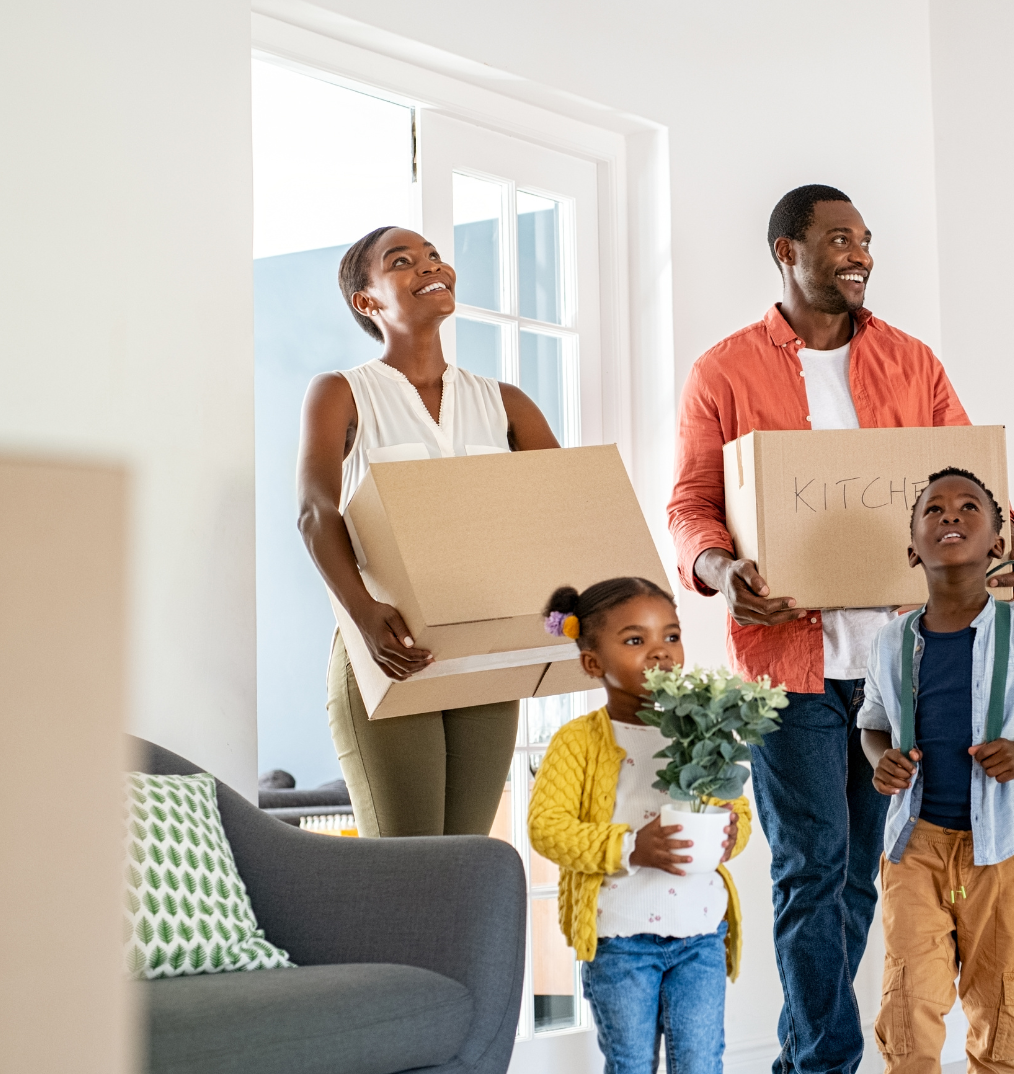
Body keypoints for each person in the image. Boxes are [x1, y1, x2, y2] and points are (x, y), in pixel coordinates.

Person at [666, 184, 1014, 1074]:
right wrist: (721, 571)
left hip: (903, 667)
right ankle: (825, 1059)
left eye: (865, 240)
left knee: (868, 861)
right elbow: (692, 505)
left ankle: (806, 1059)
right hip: (788, 664)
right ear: (787, 252)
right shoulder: (724, 371)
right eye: (837, 240)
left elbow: (974, 486)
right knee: (809, 867)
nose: (858, 253)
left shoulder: (913, 362)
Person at [296, 225, 562, 837]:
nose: (430, 266)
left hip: (486, 654)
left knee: (464, 863)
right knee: (407, 867)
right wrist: (363, 613)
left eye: (435, 256)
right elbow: (315, 509)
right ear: (368, 301)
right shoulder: (342, 393)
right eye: (403, 261)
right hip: (389, 648)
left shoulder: (506, 403)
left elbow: (561, 516)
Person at [856, 468, 1014, 1074]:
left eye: (969, 508)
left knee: (1003, 1006)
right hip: (915, 848)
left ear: (998, 542)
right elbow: (872, 720)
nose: (951, 516)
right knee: (908, 1004)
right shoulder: (889, 641)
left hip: (1007, 851)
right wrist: (879, 757)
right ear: (912, 546)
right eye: (933, 510)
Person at [528, 577, 751, 1074]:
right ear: (593, 663)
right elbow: (548, 827)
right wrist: (632, 847)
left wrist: (732, 830)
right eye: (635, 641)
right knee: (629, 1064)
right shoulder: (579, 742)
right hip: (620, 941)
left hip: (700, 935)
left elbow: (735, 807)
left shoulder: (705, 729)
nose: (660, 653)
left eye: (671, 636)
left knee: (700, 1063)